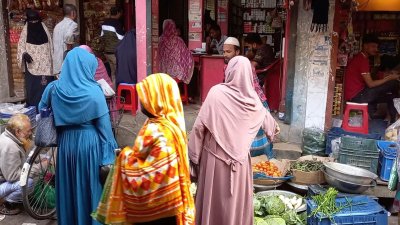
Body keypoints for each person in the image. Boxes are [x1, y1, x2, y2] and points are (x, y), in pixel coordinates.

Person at [92, 73, 195, 225]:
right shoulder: (171, 124)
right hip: (172, 206)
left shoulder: (159, 131)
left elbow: (152, 175)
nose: (141, 102)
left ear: (157, 100)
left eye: (145, 97)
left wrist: (124, 157)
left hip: (159, 213)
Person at [188, 56, 279, 225]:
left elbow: (199, 128)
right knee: (235, 205)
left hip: (214, 161)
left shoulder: (216, 93)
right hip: (240, 165)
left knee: (213, 203)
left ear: (229, 71)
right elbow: (272, 127)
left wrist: (194, 158)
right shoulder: (253, 100)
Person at [39, 47, 117, 225]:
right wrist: (109, 158)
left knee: (69, 189)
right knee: (90, 191)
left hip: (66, 146)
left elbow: (41, 108)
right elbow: (105, 133)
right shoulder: (94, 93)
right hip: (89, 147)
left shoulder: (53, 89)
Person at [223, 37, 274, 158]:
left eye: (228, 51)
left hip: (253, 101)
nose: (225, 54)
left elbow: (248, 91)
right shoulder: (228, 66)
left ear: (237, 52)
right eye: (224, 51)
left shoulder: (245, 65)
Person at [344, 34, 400, 123]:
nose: (376, 49)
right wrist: (390, 77)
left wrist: (386, 74)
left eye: (377, 47)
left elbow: (370, 78)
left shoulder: (361, 58)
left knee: (391, 96)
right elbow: (371, 84)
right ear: (365, 46)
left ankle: (391, 120)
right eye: (373, 46)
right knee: (394, 83)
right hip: (357, 96)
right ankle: (393, 119)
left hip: (358, 94)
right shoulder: (362, 60)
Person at [17, 9, 55, 111]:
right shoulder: (25, 31)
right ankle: (34, 112)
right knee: (33, 92)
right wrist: (24, 54)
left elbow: (51, 49)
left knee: (46, 91)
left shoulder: (44, 30)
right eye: (32, 22)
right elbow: (21, 47)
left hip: (46, 68)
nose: (34, 23)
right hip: (32, 68)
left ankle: (48, 112)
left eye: (35, 21)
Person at [0, 114, 33, 215]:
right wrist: (36, 168)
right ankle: (6, 202)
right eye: (28, 131)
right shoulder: (10, 147)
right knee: (28, 182)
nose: (30, 133)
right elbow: (12, 177)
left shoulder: (12, 137)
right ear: (18, 132)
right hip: (4, 181)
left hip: (3, 179)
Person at [158, 19, 194, 84]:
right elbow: (188, 56)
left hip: (161, 74)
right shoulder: (178, 40)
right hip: (176, 75)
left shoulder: (159, 41)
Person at [101, 6, 124, 89]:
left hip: (107, 53)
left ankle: (112, 90)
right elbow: (121, 38)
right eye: (120, 13)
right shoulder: (117, 23)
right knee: (118, 73)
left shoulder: (104, 23)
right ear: (117, 13)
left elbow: (102, 36)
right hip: (115, 52)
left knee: (112, 73)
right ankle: (116, 92)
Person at [53, 4, 79, 76]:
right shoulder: (73, 24)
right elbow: (68, 37)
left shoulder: (57, 26)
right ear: (73, 13)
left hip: (57, 61)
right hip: (66, 62)